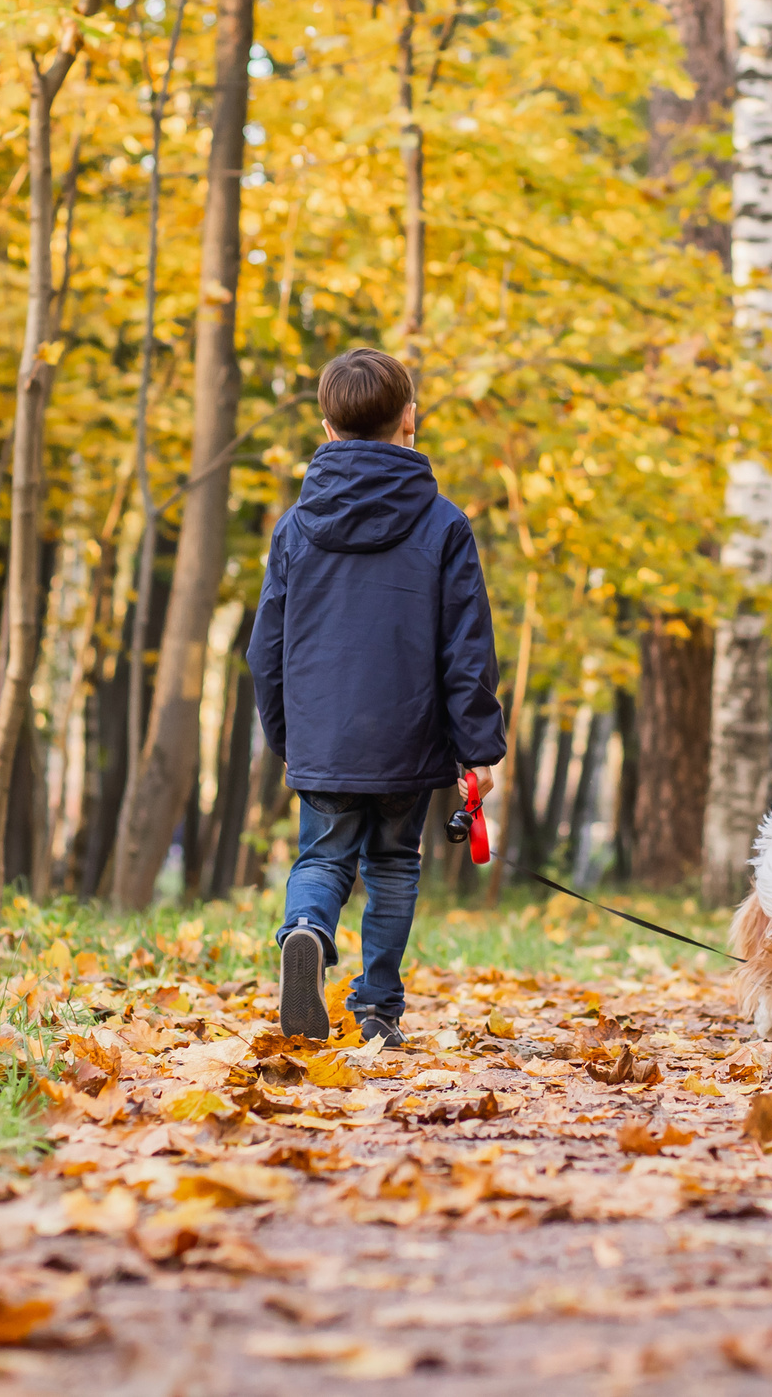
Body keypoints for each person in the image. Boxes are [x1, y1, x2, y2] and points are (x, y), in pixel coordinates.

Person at [249, 347, 506, 1044]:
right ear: (410, 420)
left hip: (324, 737)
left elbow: (263, 649)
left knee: (323, 858)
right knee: (393, 863)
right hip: (409, 739)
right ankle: (376, 1009)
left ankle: (304, 930)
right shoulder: (444, 523)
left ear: (327, 429)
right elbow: (467, 651)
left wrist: (288, 737)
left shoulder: (295, 527)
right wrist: (477, 748)